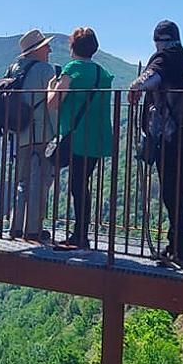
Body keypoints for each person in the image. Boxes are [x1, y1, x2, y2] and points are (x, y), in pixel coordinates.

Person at [127, 20, 183, 269]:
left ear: (158, 41)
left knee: (172, 195)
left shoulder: (163, 58)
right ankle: (175, 245)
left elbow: (151, 78)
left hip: (170, 138)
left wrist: (134, 87)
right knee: (181, 194)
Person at [47, 27, 114, 251]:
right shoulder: (101, 73)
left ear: (72, 46)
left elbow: (54, 103)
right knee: (81, 184)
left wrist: (50, 88)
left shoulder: (72, 69)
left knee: (76, 185)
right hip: (98, 137)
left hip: (76, 136)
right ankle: (80, 234)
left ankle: (79, 236)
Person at [7, 29, 58, 242]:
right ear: (37, 50)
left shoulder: (13, 69)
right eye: (46, 46)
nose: (49, 50)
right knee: (42, 180)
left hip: (20, 134)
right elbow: (53, 105)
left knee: (22, 181)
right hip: (41, 133)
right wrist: (58, 135)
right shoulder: (45, 71)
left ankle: (15, 226)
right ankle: (34, 229)